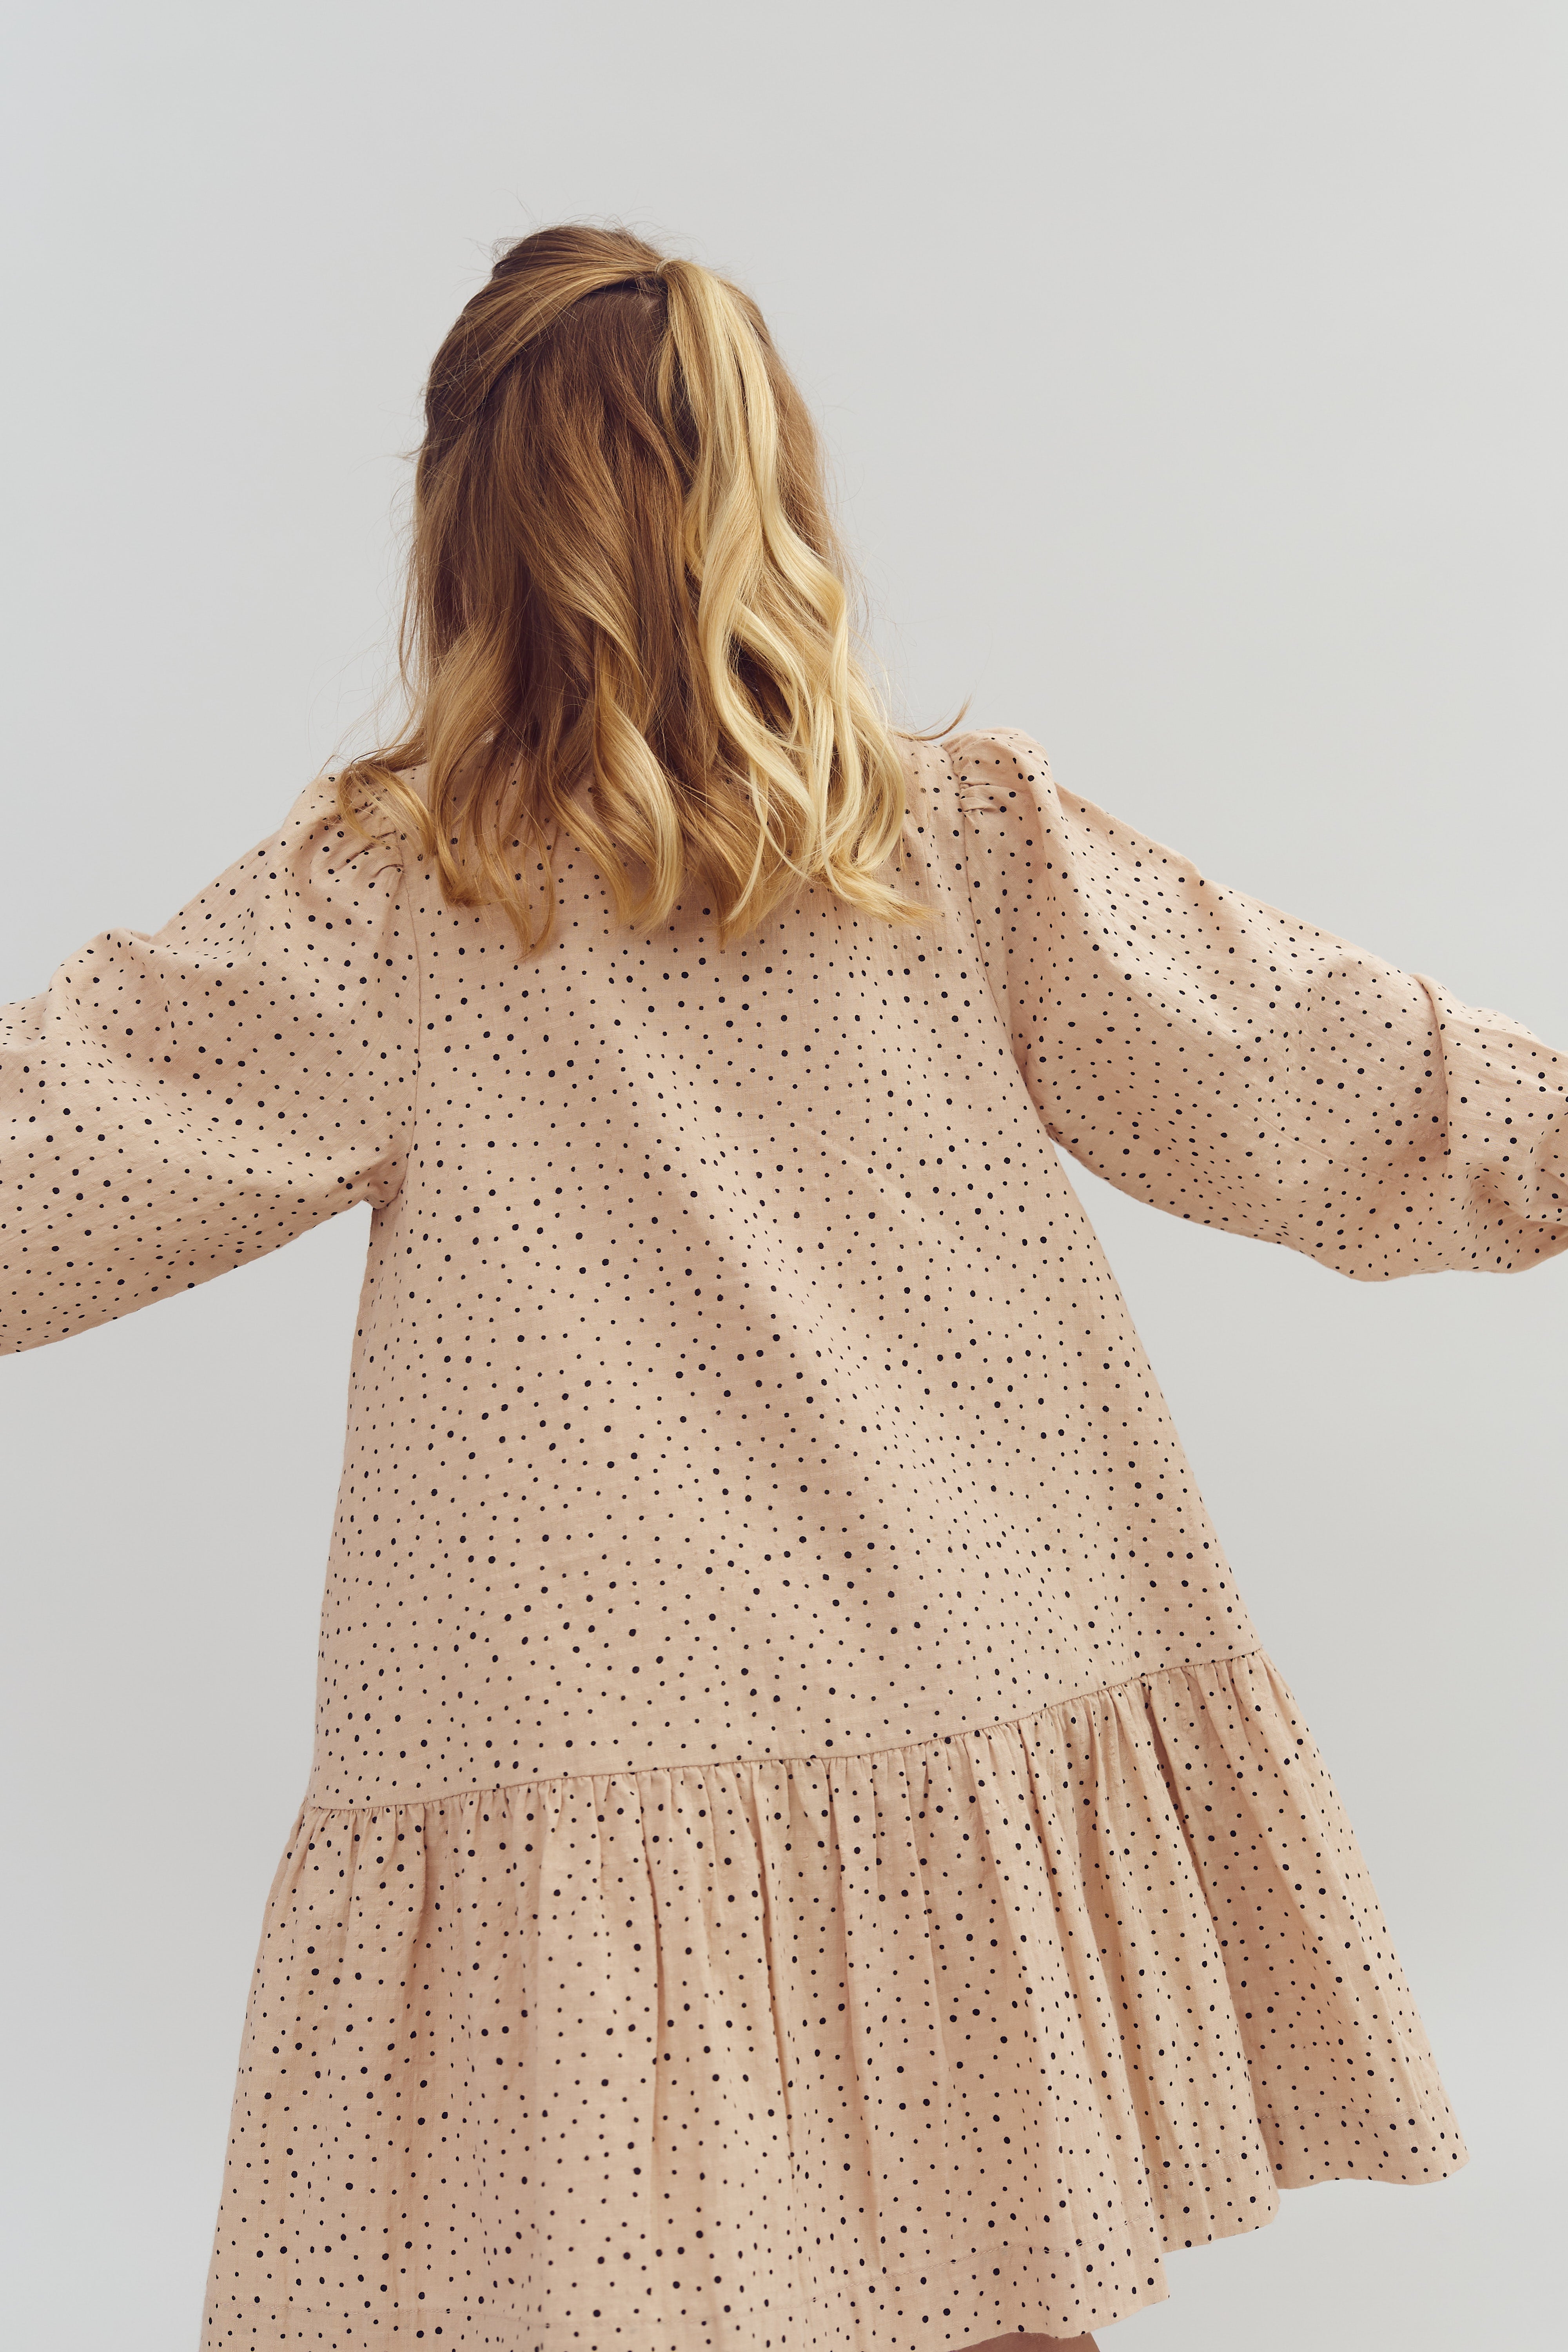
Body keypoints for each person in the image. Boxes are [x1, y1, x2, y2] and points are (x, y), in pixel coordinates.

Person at [2, 222, 1562, 2352]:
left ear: (460, 527)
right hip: (960, 1687)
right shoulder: (959, 853)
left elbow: (47, 1154)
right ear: (779, 500)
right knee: (1004, 2276)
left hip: (586, 1756)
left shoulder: (393, 909)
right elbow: (1308, 1062)